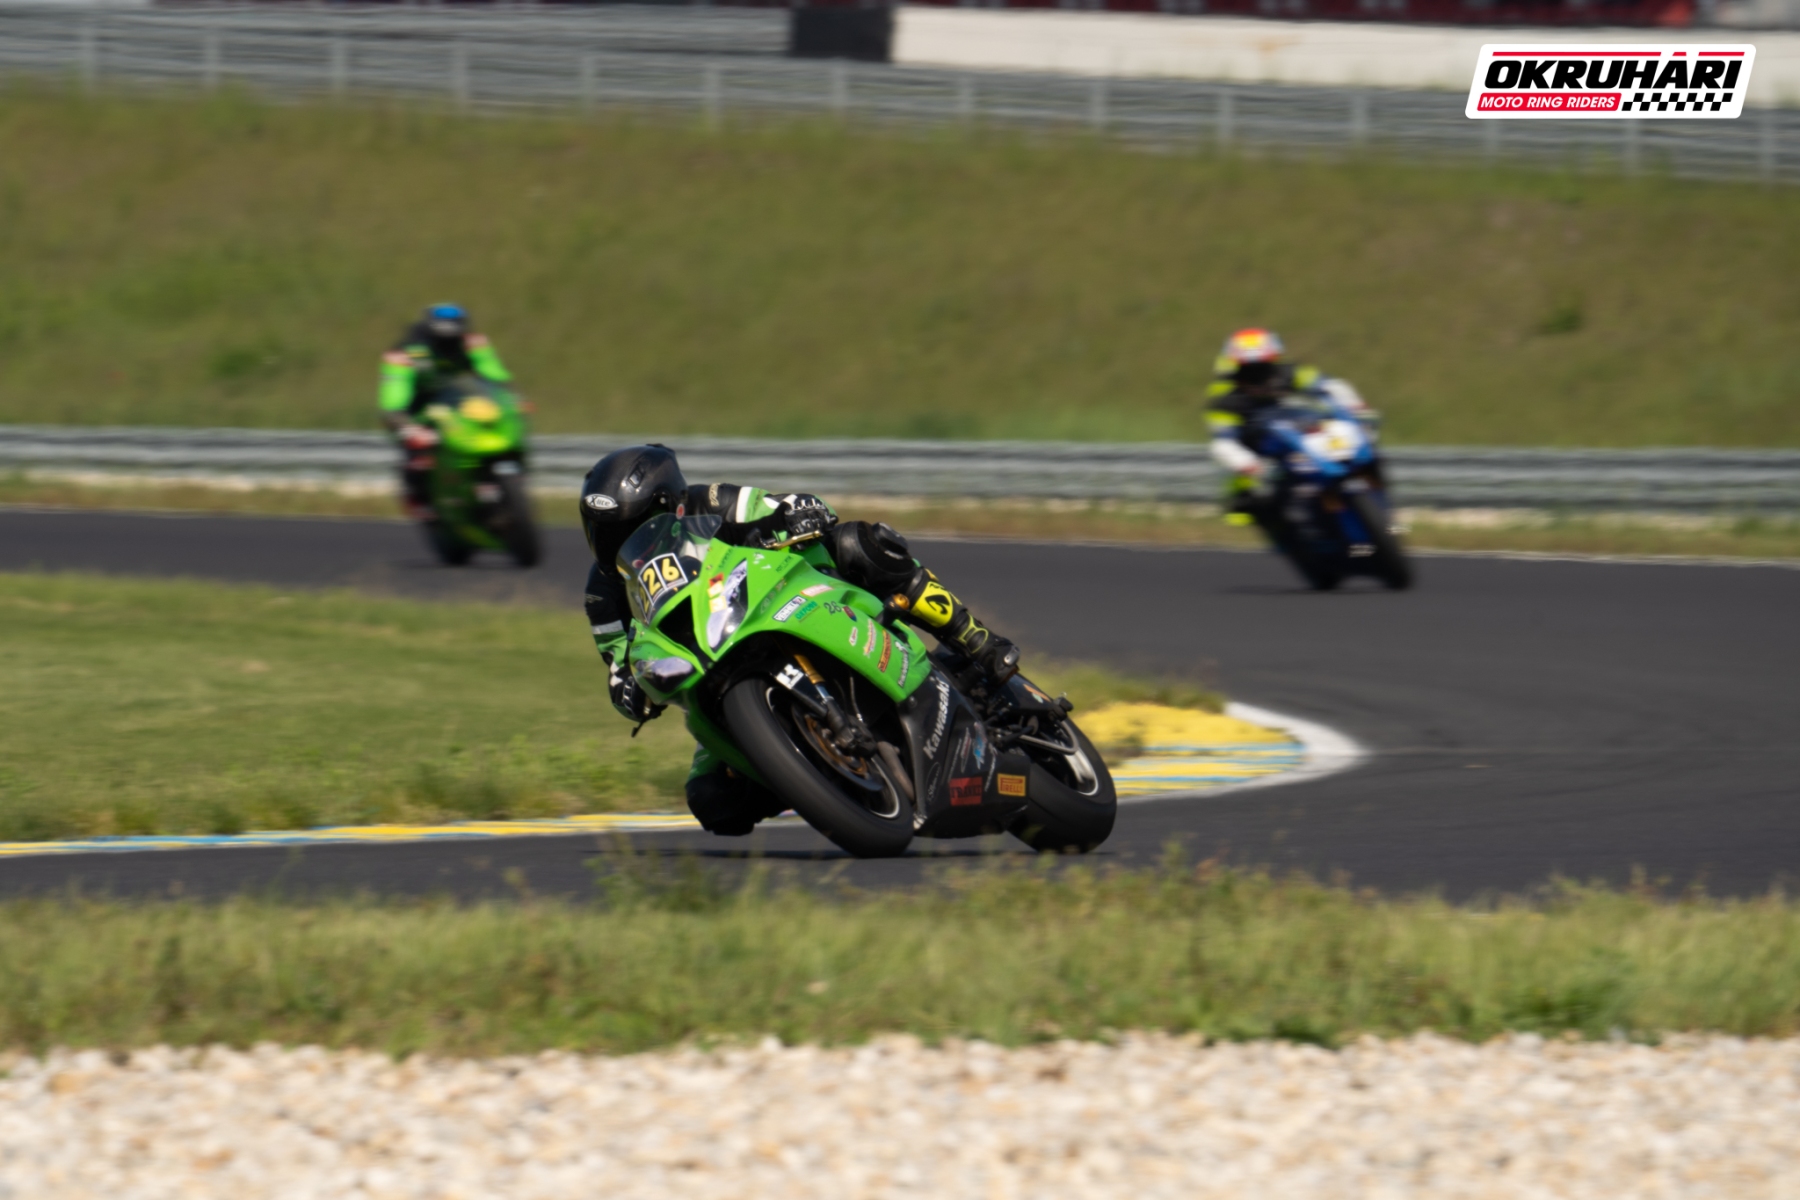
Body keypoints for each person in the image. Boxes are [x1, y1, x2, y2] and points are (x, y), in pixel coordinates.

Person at [579, 444, 1021, 837]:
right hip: (710, 668)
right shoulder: (604, 594)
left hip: (785, 595)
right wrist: (630, 691)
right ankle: (812, 773)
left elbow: (788, 504)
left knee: (860, 543)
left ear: (667, 505)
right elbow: (620, 663)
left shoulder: (710, 501)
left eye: (628, 527)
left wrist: (795, 516)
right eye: (603, 532)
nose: (615, 543)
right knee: (713, 800)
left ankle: (974, 638)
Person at [1204, 328, 1377, 521]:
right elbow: (1223, 442)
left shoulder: (1291, 372)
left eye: (1262, 366)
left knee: (1346, 436)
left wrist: (1358, 409)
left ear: (1273, 359)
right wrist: (1255, 467)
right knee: (1248, 501)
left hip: (1302, 427)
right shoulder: (1224, 397)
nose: (1257, 374)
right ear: (1235, 365)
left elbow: (1332, 386)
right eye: (1249, 369)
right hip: (1264, 448)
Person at [377, 304, 513, 520]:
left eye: (453, 337)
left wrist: (509, 398)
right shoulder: (405, 353)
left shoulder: (473, 343)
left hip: (463, 406)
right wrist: (402, 421)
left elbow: (494, 374)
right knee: (419, 453)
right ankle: (420, 498)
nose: (449, 344)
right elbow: (394, 393)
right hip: (420, 410)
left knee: (497, 429)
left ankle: (490, 482)